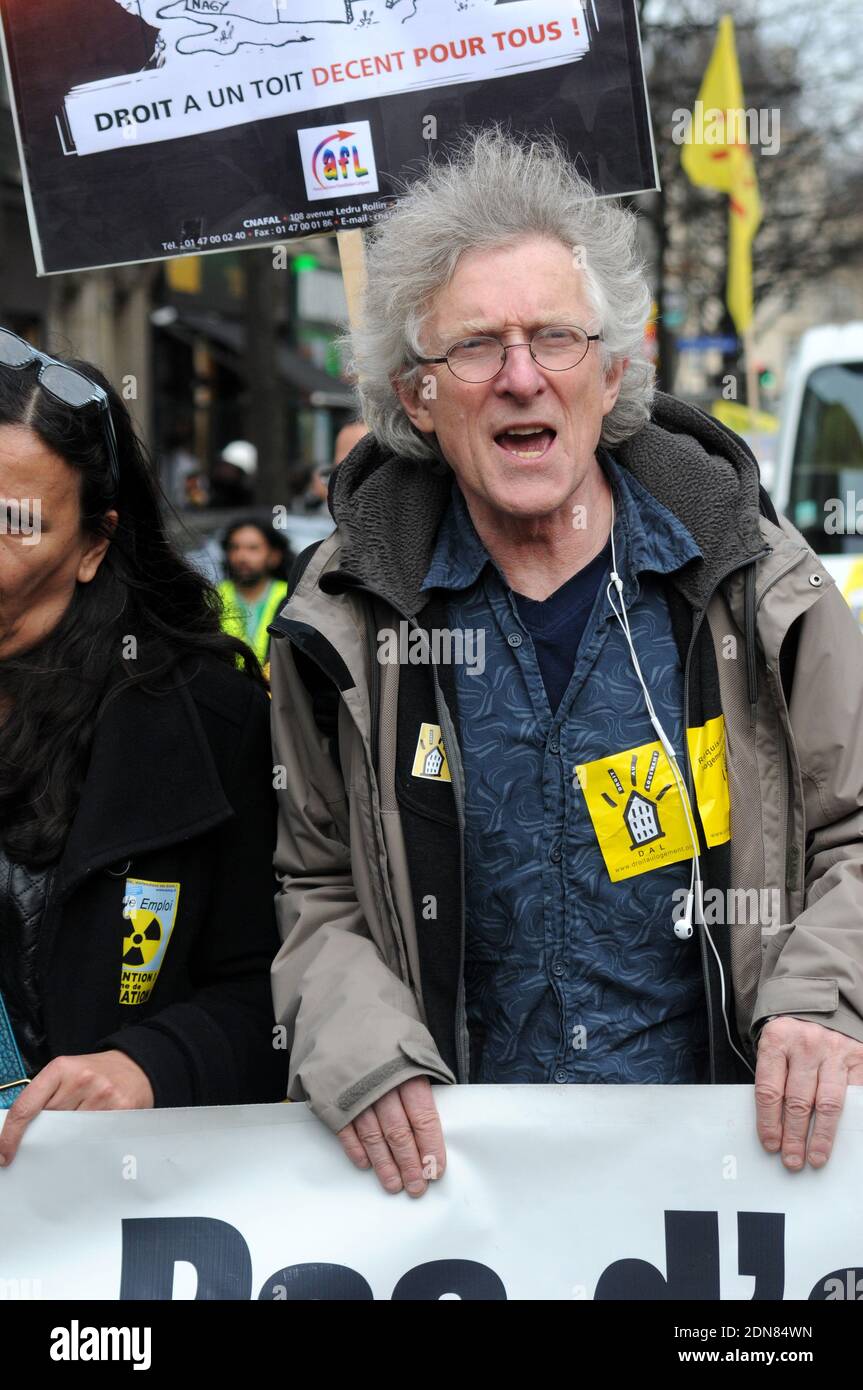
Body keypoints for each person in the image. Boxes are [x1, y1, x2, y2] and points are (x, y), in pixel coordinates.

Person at [268, 129, 863, 1199]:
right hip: (455, 1200)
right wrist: (357, 1041)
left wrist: (819, 1000)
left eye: (554, 337)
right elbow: (313, 885)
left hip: (730, 1179)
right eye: (473, 348)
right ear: (416, 398)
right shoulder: (343, 620)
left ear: (612, 373)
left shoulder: (756, 586)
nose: (517, 377)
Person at [0, 329, 288, 1166]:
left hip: (117, 1217)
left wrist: (152, 1064)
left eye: (15, 525)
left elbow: (275, 993)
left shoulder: (209, 722)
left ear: (94, 544)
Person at [218, 518, 290, 668]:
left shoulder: (291, 596)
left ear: (274, 556)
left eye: (253, 548)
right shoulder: (214, 597)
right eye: (235, 548)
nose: (242, 557)